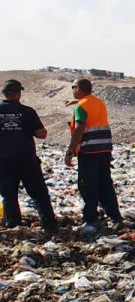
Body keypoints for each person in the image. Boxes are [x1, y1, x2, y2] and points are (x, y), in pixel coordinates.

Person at [0, 79, 59, 234]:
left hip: (3, 161)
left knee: (9, 195)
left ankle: (14, 226)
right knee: (39, 194)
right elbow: (42, 134)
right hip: (27, 160)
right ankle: (50, 226)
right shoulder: (28, 111)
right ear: (18, 94)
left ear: (4, 93)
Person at [65, 78, 123, 230]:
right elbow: (89, 108)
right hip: (104, 148)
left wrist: (70, 151)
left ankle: (90, 219)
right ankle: (115, 217)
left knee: (87, 184)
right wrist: (75, 103)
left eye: (73, 87)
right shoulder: (98, 102)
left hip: (89, 150)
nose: (72, 90)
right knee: (105, 183)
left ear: (78, 88)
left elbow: (79, 128)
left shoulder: (81, 106)